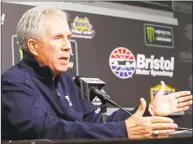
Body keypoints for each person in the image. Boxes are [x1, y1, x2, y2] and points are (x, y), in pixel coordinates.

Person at [1, 6, 192, 140]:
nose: (68, 47)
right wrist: (123, 130)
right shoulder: (14, 83)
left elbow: (98, 122)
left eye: (69, 38)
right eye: (58, 38)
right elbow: (47, 131)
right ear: (33, 46)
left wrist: (150, 111)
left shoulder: (66, 83)